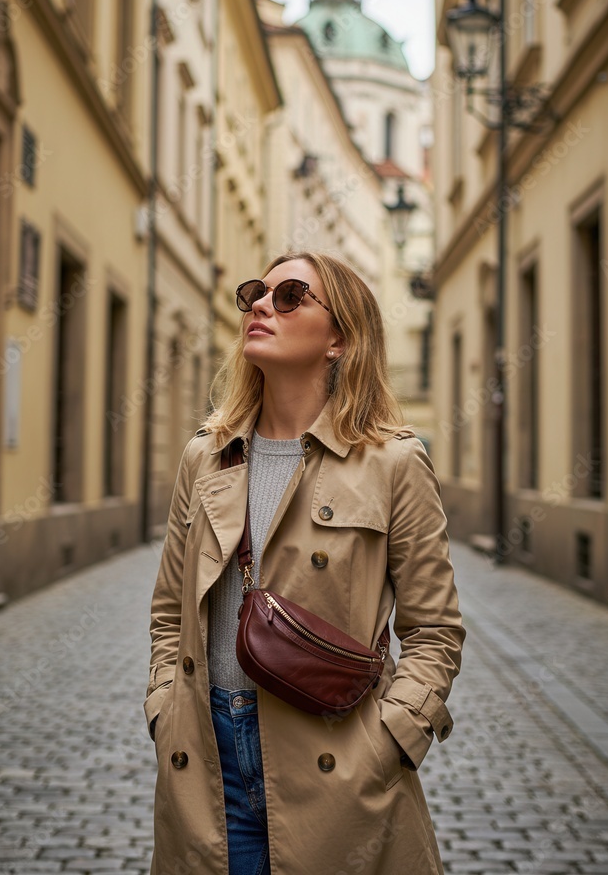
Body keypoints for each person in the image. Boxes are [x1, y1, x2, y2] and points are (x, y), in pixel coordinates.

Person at [145, 250, 465, 875]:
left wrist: (391, 740)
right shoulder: (205, 456)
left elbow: (434, 630)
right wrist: (165, 707)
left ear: (339, 339)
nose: (262, 306)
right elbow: (168, 611)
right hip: (206, 764)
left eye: (290, 296)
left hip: (336, 762)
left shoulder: (393, 463)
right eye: (255, 294)